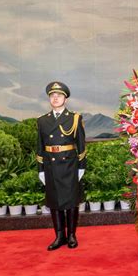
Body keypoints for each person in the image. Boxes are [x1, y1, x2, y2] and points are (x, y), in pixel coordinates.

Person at [36, 81, 86, 250]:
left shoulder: (74, 118)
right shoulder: (42, 121)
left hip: (69, 165)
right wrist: (41, 169)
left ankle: (71, 235)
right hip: (51, 165)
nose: (55, 98)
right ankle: (59, 236)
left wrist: (81, 166)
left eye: (59, 95)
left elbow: (81, 144)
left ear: (65, 99)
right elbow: (40, 147)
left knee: (71, 202)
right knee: (54, 201)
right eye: (52, 95)